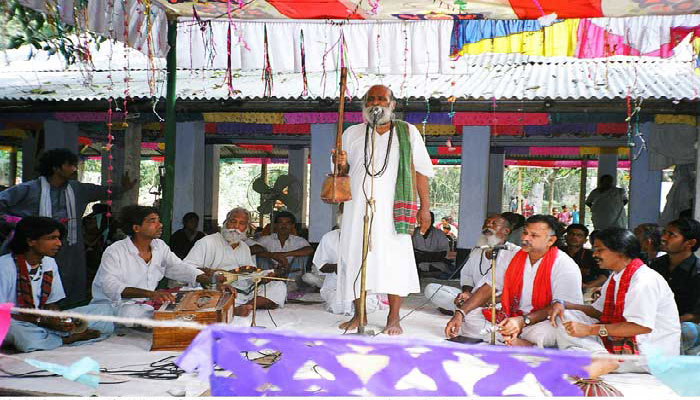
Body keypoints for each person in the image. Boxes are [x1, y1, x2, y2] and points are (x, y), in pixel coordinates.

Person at [333, 84, 434, 335]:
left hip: (395, 210)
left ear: (392, 104)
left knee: (395, 261)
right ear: (364, 104)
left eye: (382, 98)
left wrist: (425, 209)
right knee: (356, 257)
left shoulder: (407, 132)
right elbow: (340, 176)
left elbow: (421, 172)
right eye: (371, 99)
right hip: (357, 209)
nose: (376, 103)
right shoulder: (352, 133)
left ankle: (393, 317)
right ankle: (359, 315)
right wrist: (341, 164)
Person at [0, 149, 137, 307]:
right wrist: (19, 223)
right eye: (70, 165)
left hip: (70, 247)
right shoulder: (30, 189)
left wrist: (123, 188)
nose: (75, 169)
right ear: (56, 168)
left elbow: (103, 191)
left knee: (69, 286)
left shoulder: (77, 189)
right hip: (34, 247)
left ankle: (66, 318)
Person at [550, 228, 680, 376]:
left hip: (647, 354)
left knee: (576, 340)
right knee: (565, 316)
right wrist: (565, 305)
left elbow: (640, 327)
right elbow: (598, 312)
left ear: (621, 251)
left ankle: (601, 360)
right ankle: (602, 358)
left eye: (600, 250)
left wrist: (590, 330)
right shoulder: (617, 275)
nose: (595, 255)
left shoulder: (643, 281)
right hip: (623, 341)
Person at [445, 215, 582, 347]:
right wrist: (460, 313)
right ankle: (514, 339)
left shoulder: (564, 265)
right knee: (470, 318)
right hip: (513, 316)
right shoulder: (512, 257)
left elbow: (562, 307)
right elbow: (489, 287)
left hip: (542, 321)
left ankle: (523, 342)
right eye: (525, 233)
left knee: (557, 328)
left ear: (550, 241)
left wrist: (524, 321)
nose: (525, 238)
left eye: (533, 236)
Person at [0, 217, 113, 352]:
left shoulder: (49, 263)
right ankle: (66, 339)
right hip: (12, 321)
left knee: (103, 311)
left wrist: (58, 320)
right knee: (22, 334)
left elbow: (51, 303)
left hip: (39, 321)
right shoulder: (4, 266)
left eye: (59, 238)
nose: (59, 243)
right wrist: (42, 321)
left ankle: (51, 337)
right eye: (51, 238)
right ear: (31, 241)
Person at [91, 205, 214, 320]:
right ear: (136, 228)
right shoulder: (115, 251)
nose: (160, 225)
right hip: (112, 307)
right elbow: (111, 287)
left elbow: (177, 266)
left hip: (144, 306)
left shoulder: (159, 246)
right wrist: (151, 294)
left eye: (159, 220)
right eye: (152, 221)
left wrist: (206, 279)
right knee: (131, 313)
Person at [184, 207, 286, 312]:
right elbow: (186, 267)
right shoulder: (207, 242)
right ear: (225, 222)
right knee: (208, 296)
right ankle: (234, 308)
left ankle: (246, 306)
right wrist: (211, 276)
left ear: (246, 228)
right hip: (217, 289)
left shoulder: (244, 247)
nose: (236, 227)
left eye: (241, 223)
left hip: (243, 291)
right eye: (233, 221)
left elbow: (250, 274)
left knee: (278, 286)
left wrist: (264, 275)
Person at [425, 214, 519, 314]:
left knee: (505, 306)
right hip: (472, 297)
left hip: (496, 301)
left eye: (493, 224)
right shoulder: (477, 250)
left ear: (506, 231)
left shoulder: (515, 253)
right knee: (431, 289)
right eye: (486, 223)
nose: (488, 226)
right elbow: (467, 275)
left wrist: (487, 300)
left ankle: (463, 309)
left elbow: (517, 289)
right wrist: (466, 293)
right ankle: (468, 309)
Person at [650, 218, 700, 324]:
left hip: (680, 327)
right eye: (664, 233)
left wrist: (664, 323)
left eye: (671, 235)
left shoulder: (697, 272)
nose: (663, 238)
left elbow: (695, 316)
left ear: (690, 243)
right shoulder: (656, 265)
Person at [255, 211, 314, 278]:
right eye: (281, 222)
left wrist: (285, 254)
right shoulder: (266, 239)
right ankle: (266, 283)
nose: (284, 225)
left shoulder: (298, 240)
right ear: (275, 225)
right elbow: (254, 251)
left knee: (300, 258)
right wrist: (273, 255)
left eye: (287, 223)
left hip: (290, 272)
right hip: (270, 272)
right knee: (261, 258)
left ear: (292, 225)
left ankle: (291, 285)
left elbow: (310, 250)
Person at [564, 224, 608, 290]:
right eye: (571, 234)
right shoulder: (557, 252)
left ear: (585, 240)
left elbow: (604, 275)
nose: (574, 237)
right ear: (565, 237)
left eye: (579, 235)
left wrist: (587, 286)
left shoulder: (592, 255)